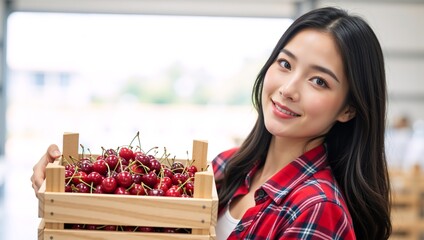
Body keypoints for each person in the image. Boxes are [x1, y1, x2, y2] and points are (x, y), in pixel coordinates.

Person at [31, 7, 392, 240]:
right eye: (285, 64)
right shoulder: (225, 167)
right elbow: (138, 226)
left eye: (319, 81)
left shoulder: (317, 209)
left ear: (349, 109)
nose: (288, 89)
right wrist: (64, 195)